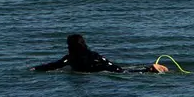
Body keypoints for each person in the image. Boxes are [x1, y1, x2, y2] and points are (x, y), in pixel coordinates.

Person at [34, 33, 169, 74]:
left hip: (94, 70)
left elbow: (53, 66)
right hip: (103, 64)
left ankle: (149, 70)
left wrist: (36, 68)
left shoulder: (70, 58)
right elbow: (106, 62)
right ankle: (147, 69)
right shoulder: (93, 53)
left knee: (120, 72)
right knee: (120, 70)